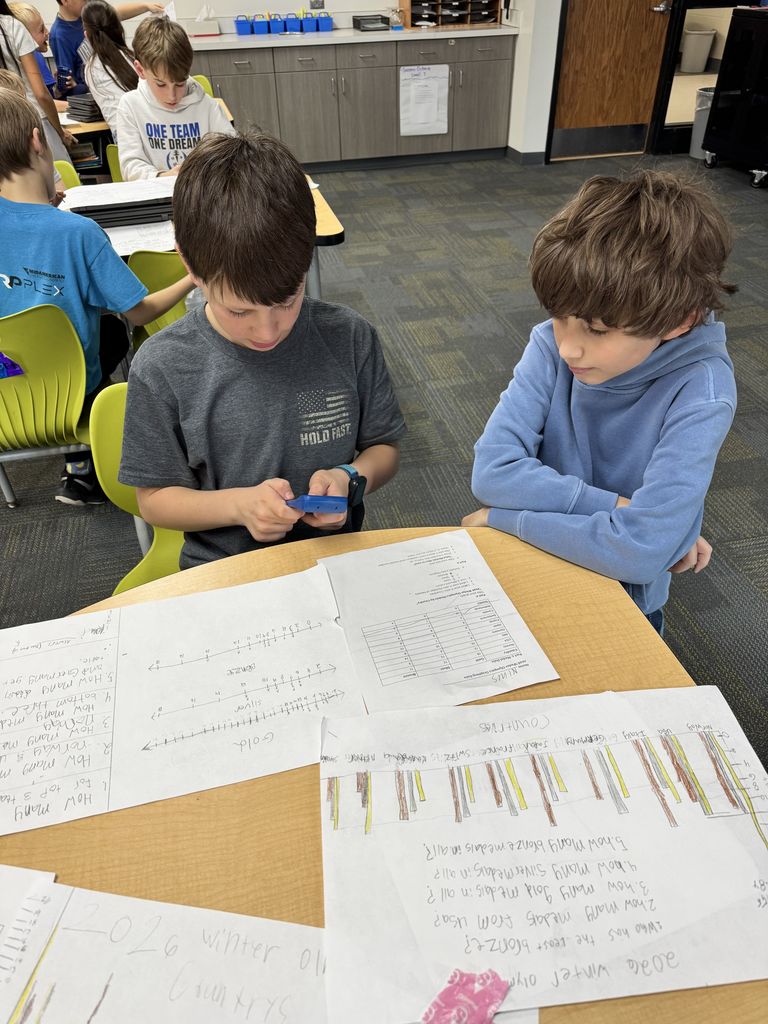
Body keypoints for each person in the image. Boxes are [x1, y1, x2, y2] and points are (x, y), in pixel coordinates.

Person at [465, 170, 737, 634]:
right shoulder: (548, 345)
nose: (568, 347)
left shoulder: (702, 390)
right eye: (558, 318)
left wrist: (505, 519)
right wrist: (623, 509)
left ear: (680, 320)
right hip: (535, 569)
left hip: (626, 600)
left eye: (596, 330)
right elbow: (491, 472)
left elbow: (639, 552)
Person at [119, 130, 405, 568]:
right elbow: (154, 499)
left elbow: (383, 449)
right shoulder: (162, 367)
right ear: (190, 266)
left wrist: (348, 477)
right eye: (239, 311)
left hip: (334, 558)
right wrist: (238, 506)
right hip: (225, 568)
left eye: (287, 301)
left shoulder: (350, 337)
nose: (267, 330)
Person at [0, 88, 195, 504]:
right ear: (38, 141)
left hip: (6, 397)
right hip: (66, 397)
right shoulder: (78, 234)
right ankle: (87, 464)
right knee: (114, 333)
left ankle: (76, 469)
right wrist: (193, 278)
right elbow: (141, 313)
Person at [116, 15, 234, 180]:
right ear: (140, 70)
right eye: (161, 84)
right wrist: (162, 176)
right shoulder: (130, 106)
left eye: (179, 84)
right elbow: (130, 165)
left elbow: (232, 154)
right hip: (156, 197)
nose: (172, 96)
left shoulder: (207, 106)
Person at [0, 0, 73, 161]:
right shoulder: (11, 26)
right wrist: (60, 132)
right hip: (33, 119)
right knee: (60, 181)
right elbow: (41, 94)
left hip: (4, 128)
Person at [48, 0, 162, 96]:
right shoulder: (59, 36)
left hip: (116, 79)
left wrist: (145, 6)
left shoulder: (85, 13)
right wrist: (73, 86)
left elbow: (114, 13)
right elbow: (67, 80)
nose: (87, 1)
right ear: (65, 1)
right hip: (94, 92)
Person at [81, 0, 137, 139]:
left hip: (123, 137)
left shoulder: (91, 68)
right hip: (149, 129)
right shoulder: (132, 58)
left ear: (87, 35)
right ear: (118, 27)